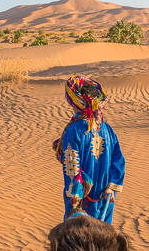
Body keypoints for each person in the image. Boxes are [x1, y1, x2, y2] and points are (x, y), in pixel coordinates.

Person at [53, 74, 125, 224]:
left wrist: (76, 194)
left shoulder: (74, 131)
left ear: (74, 102)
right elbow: (118, 160)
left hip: (81, 202)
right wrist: (111, 187)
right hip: (105, 199)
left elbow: (72, 168)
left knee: (78, 243)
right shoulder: (108, 130)